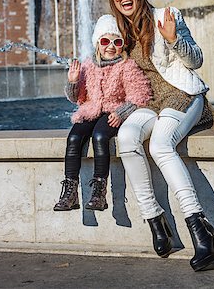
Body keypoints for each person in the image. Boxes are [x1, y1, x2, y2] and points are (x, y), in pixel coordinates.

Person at [107, 0, 214, 271]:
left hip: (181, 94)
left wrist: (173, 40)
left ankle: (200, 229)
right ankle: (155, 221)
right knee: (126, 138)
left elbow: (196, 59)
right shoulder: (119, 31)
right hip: (147, 102)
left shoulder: (166, 16)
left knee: (160, 145)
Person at [54, 14, 152, 212]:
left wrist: (122, 112)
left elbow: (140, 94)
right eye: (105, 41)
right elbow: (77, 97)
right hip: (90, 110)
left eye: (116, 42)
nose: (110, 46)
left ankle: (99, 192)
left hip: (112, 112)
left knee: (100, 136)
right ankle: (70, 191)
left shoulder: (127, 66)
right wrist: (73, 81)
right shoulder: (89, 66)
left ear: (122, 45)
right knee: (74, 138)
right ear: (98, 44)